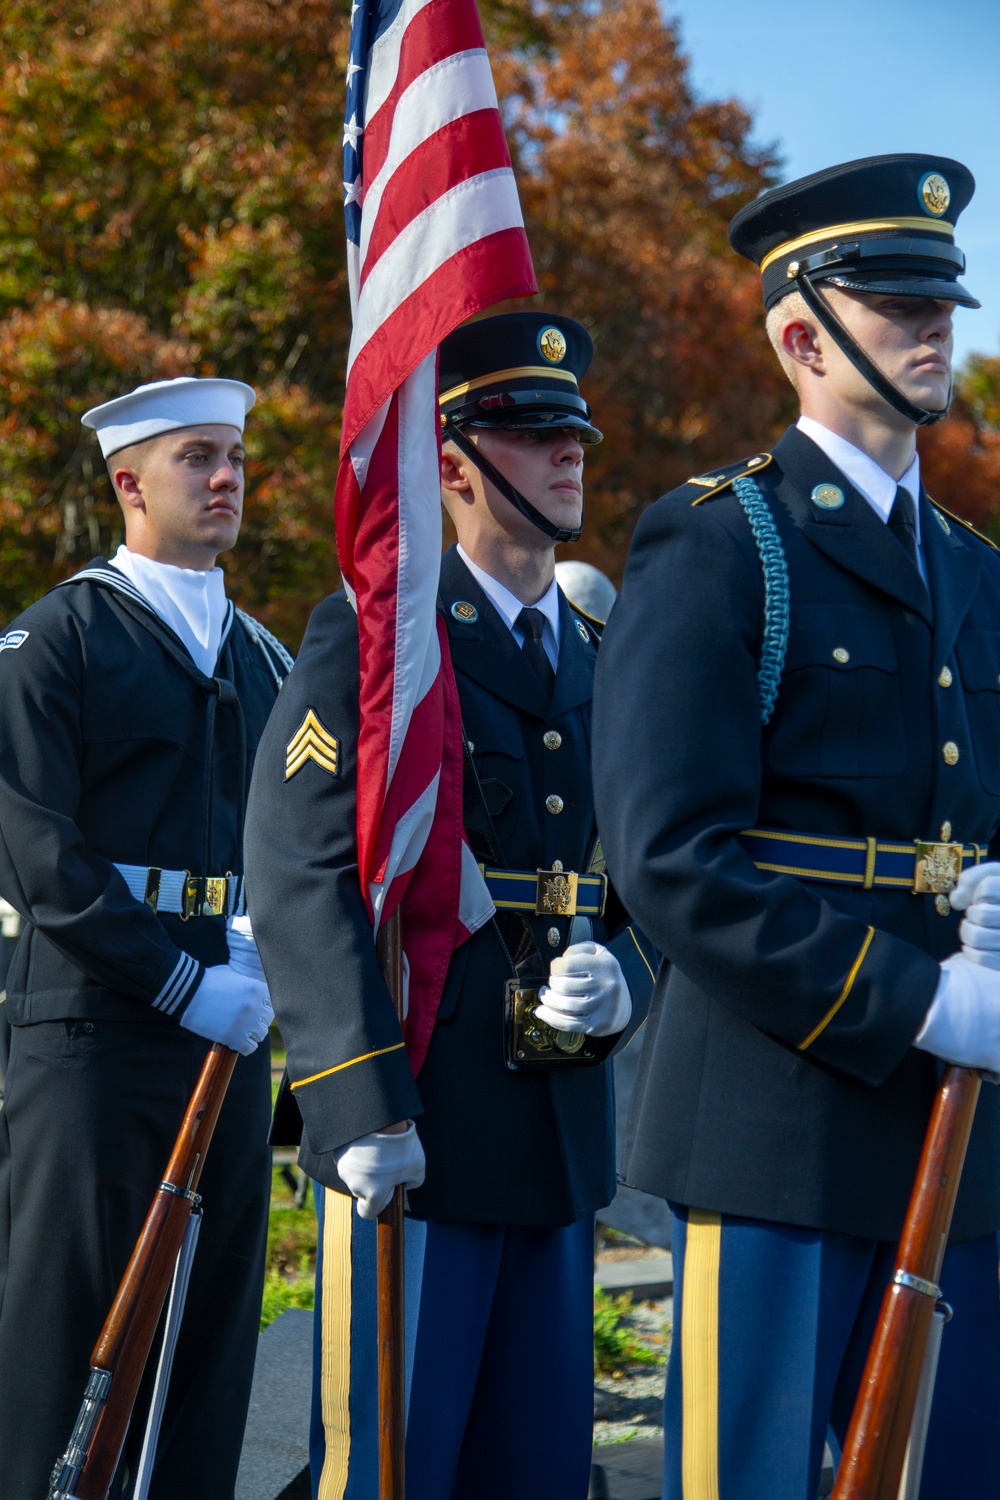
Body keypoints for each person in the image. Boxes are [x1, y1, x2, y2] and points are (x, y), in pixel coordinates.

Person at [592, 154, 1000, 1499]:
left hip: (964, 1127)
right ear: (800, 336)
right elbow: (667, 858)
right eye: (894, 299)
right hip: (783, 1111)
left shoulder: (975, 569)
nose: (934, 321)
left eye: (942, 294)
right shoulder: (720, 541)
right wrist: (912, 1000)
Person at [246, 312, 656, 1500]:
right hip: (420, 1119)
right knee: (388, 1465)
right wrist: (355, 1097)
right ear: (448, 463)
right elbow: (295, 865)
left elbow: (630, 852)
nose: (568, 451)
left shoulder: (586, 645)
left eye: (572, 429)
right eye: (531, 432)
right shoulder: (385, 639)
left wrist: (621, 962)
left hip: (559, 1129)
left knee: (533, 1470)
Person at [0, 377, 291, 1499]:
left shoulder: (266, 657)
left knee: (207, 1333)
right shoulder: (56, 637)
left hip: (236, 1016)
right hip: (94, 1028)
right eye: (197, 458)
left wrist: (268, 958)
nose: (226, 478)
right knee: (69, 1330)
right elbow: (37, 851)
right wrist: (178, 980)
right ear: (128, 482)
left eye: (234, 457)